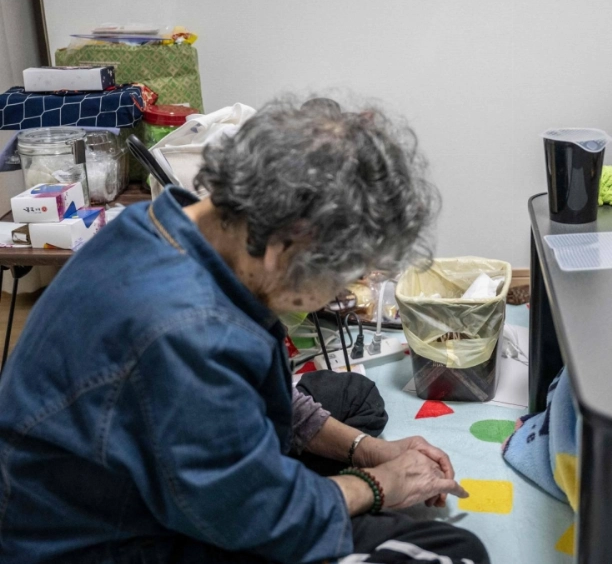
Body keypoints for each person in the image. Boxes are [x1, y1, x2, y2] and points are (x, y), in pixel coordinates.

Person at [0, 98, 489, 564]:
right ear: (285, 248)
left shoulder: (164, 222)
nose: (340, 292)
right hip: (103, 543)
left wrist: (370, 451)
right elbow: (258, 515)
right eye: (342, 276)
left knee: (355, 400)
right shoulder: (191, 333)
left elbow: (257, 395)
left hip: (119, 467)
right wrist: (381, 485)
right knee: (448, 548)